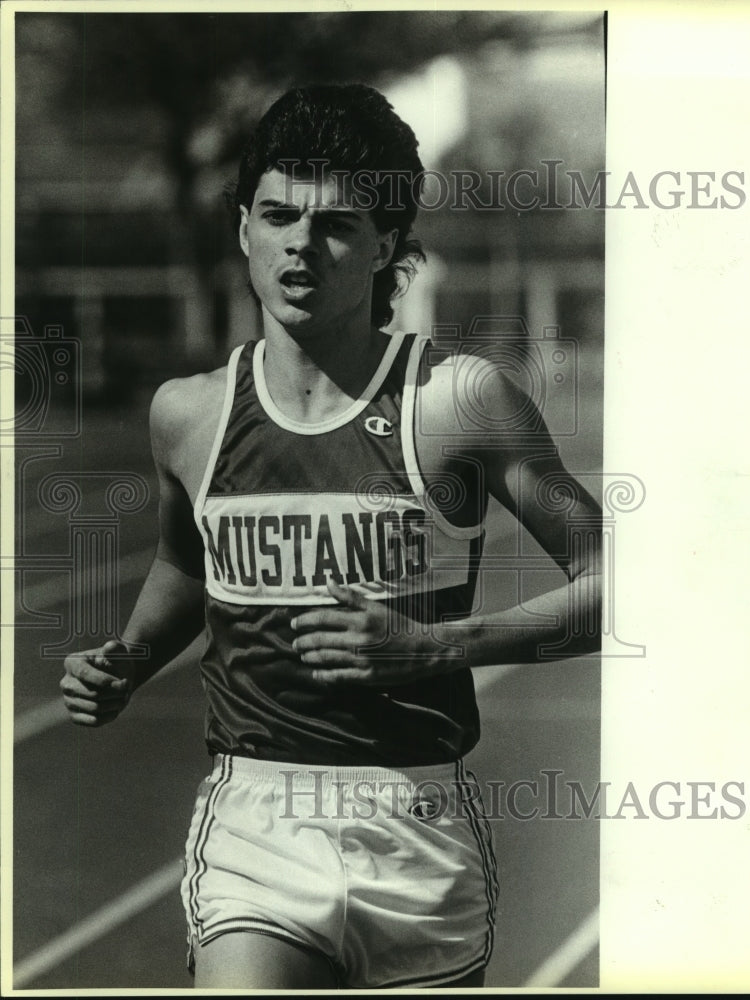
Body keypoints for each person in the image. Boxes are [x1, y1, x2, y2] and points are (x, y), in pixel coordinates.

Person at [60, 83, 602, 990]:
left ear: (386, 246)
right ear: (243, 229)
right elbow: (185, 562)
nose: (299, 247)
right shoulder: (188, 415)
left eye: (336, 225)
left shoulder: (455, 402)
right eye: (276, 216)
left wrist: (433, 645)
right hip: (257, 825)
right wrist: (127, 657)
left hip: (417, 828)